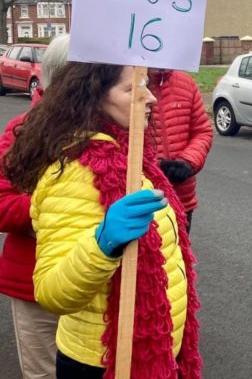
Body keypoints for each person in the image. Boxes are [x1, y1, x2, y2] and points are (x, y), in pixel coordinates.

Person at [2, 63, 202, 378]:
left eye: (147, 84)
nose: (150, 98)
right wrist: (104, 243)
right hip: (104, 362)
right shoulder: (73, 173)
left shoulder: (136, 158)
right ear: (95, 97)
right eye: (133, 89)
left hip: (154, 352)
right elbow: (52, 290)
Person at [0, 34, 71, 379]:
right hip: (33, 285)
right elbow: (1, 203)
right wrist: (55, 210)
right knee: (43, 373)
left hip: (98, 284)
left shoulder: (116, 133)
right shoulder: (21, 132)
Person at [147, 68, 213, 232]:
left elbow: (202, 131)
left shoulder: (186, 82)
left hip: (182, 197)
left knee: (180, 255)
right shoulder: (126, 83)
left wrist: (188, 162)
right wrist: (154, 168)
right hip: (143, 199)